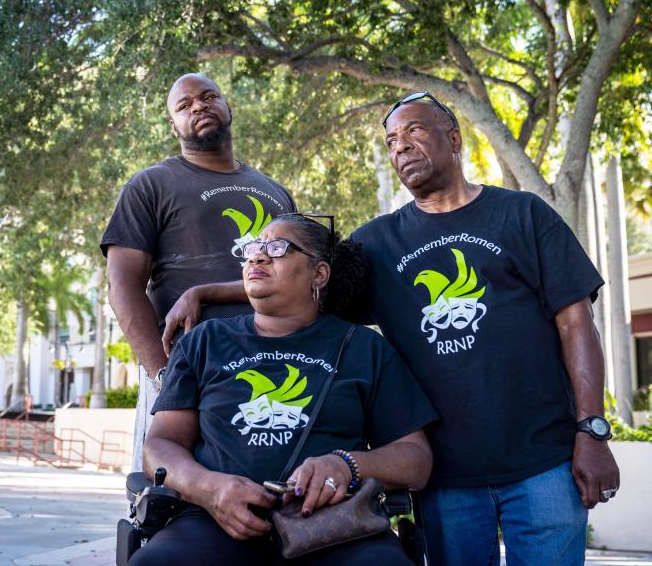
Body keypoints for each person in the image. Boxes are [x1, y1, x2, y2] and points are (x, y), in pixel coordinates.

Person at [163, 91, 621, 566]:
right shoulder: (377, 242)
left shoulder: (523, 214)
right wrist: (207, 293)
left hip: (544, 463)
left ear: (455, 138)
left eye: (415, 131)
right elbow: (294, 276)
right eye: (391, 140)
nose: (400, 146)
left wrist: (592, 432)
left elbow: (576, 324)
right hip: (446, 477)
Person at [132, 214, 437, 566]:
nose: (258, 257)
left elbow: (416, 460)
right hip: (213, 521)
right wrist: (209, 488)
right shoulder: (205, 341)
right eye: (254, 248)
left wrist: (347, 464)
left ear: (318, 274)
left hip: (335, 526)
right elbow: (159, 445)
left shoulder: (364, 348)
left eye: (278, 248)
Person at [101, 72, 296, 469]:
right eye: (184, 105)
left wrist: (207, 292)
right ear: (173, 125)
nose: (199, 107)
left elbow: (295, 280)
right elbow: (123, 286)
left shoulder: (275, 191)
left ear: (229, 108)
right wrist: (162, 377)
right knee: (170, 497)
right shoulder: (150, 185)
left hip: (274, 364)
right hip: (190, 369)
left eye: (209, 97)